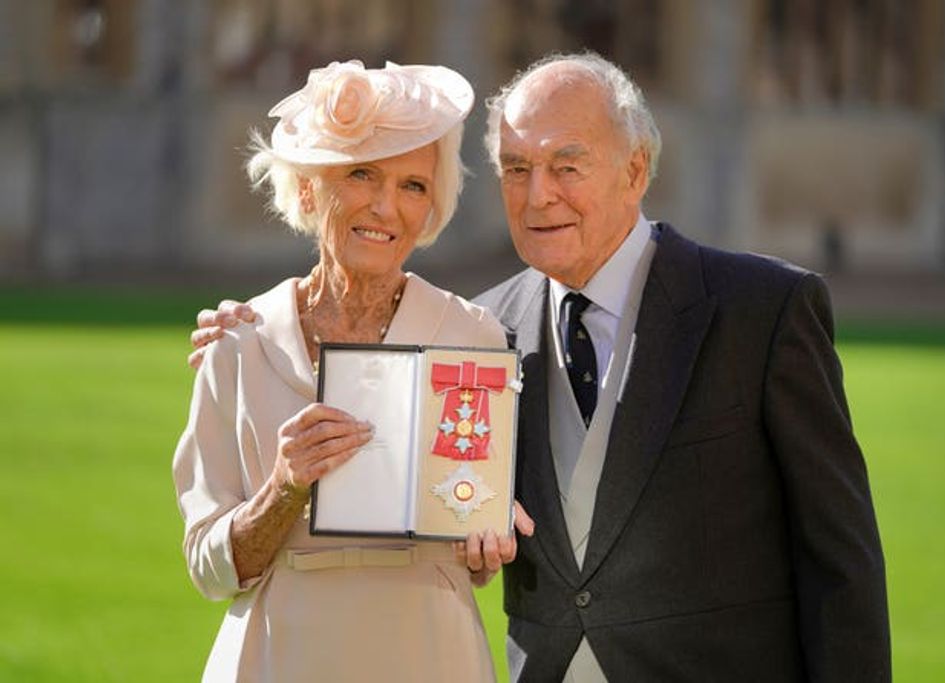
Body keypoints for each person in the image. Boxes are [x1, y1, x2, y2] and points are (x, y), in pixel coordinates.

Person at [192, 52, 891, 682]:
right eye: (517, 169)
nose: (537, 196)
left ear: (636, 170)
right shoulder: (486, 328)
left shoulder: (761, 310)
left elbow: (841, 557)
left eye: (567, 165)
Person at [174, 59, 532, 682]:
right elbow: (208, 568)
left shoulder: (472, 338)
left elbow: (478, 537)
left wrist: (486, 543)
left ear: (432, 209)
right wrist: (283, 487)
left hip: (430, 653)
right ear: (310, 189)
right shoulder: (236, 344)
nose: (386, 207)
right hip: (278, 657)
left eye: (414, 185)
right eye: (361, 174)